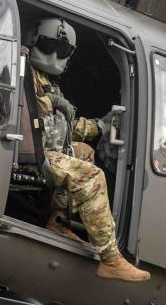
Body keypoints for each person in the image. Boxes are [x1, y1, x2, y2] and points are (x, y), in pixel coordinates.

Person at [28, 17, 150, 283]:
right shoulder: (26, 72)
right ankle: (110, 258)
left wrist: (102, 126)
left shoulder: (47, 80)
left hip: (47, 149)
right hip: (32, 152)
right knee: (91, 176)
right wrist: (54, 101)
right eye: (49, 46)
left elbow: (61, 126)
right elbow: (34, 110)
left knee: (84, 151)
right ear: (34, 41)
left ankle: (59, 220)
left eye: (62, 51)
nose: (53, 55)